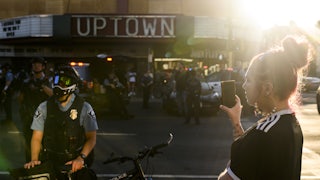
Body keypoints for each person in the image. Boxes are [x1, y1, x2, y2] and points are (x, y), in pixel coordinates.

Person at [218, 36, 313, 180]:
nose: (244, 86)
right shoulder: (292, 124)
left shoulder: (263, 133)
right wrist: (236, 122)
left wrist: (238, 154)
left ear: (267, 88)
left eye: (248, 80)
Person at [24, 66, 98, 179]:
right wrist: (34, 160)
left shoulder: (84, 107)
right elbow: (36, 137)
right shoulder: (44, 107)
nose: (59, 84)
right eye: (57, 80)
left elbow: (91, 138)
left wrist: (81, 158)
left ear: (73, 84)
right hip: (50, 160)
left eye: (65, 81)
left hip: (74, 161)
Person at [19, 57, 53, 162]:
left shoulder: (48, 81)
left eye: (38, 64)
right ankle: (31, 166)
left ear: (43, 67)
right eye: (34, 64)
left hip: (45, 118)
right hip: (29, 117)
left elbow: (53, 95)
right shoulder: (26, 82)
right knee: (29, 143)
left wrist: (42, 86)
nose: (36, 66)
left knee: (46, 144)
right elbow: (20, 98)